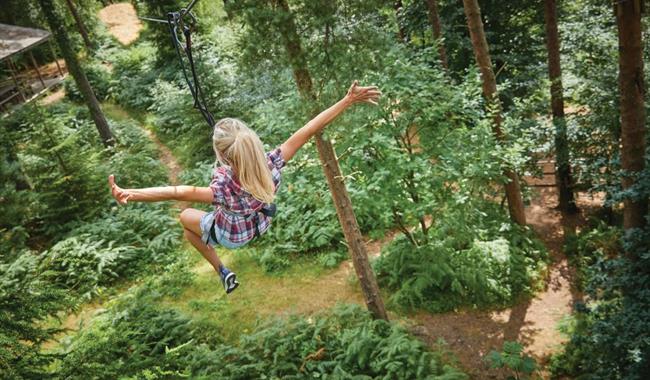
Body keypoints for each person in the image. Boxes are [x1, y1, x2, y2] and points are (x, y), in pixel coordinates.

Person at [109, 81, 381, 294]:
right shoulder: (271, 164)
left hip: (232, 235)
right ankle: (223, 271)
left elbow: (178, 193)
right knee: (193, 227)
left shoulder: (223, 189)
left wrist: (131, 194)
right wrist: (347, 100)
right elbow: (309, 129)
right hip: (259, 225)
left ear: (225, 158)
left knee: (185, 221)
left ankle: (221, 270)